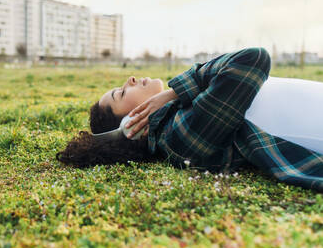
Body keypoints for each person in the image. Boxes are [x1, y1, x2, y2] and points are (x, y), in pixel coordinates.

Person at [56, 47, 323, 192]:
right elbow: (253, 59)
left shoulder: (180, 114)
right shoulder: (180, 137)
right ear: (131, 126)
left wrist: (173, 97)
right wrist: (173, 91)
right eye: (122, 92)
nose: (131, 79)